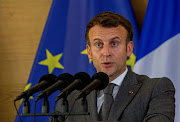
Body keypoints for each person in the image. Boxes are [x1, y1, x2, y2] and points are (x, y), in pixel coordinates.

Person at [55, 12, 175, 121]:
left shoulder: (155, 89)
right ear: (89, 52)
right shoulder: (70, 97)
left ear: (129, 48)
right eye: (98, 44)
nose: (106, 52)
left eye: (114, 43)